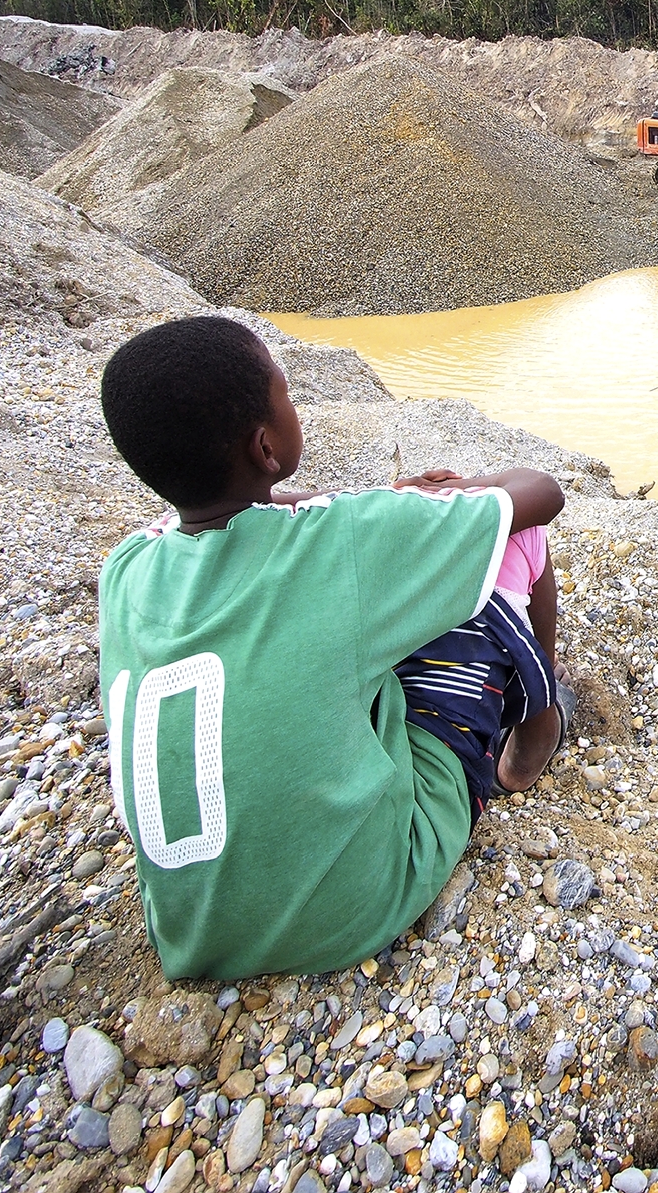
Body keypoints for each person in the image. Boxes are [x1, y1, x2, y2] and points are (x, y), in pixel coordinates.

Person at [96, 315, 570, 979]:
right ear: (266, 446)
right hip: (356, 903)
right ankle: (537, 726)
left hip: (191, 929)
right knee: (515, 544)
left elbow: (260, 512)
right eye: (286, 394)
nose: (294, 406)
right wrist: (444, 495)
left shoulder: (126, 566)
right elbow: (540, 493)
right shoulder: (341, 540)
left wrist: (389, 497)